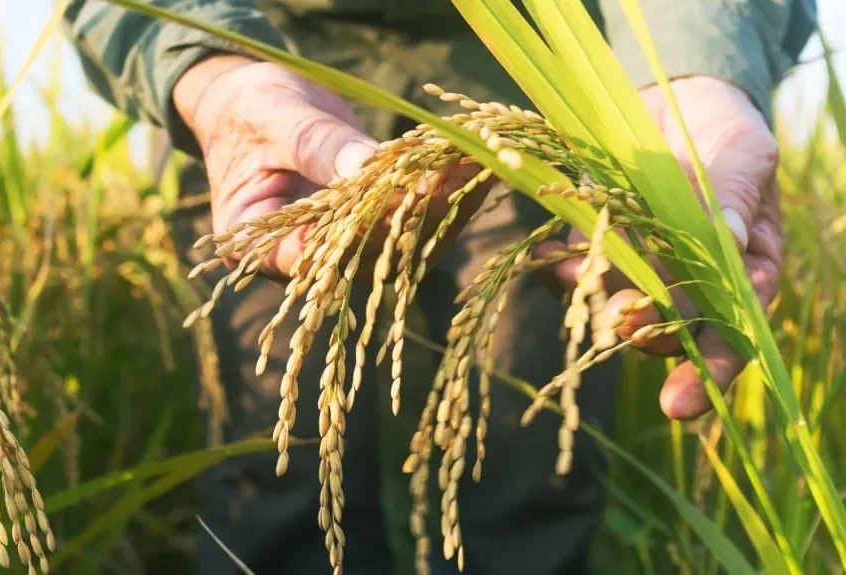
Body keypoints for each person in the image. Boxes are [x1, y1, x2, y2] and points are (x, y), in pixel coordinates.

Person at [63, 1, 816, 574]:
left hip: (521, 81)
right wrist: (209, 66)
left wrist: (693, 76)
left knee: (524, 456)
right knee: (274, 464)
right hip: (263, 70)